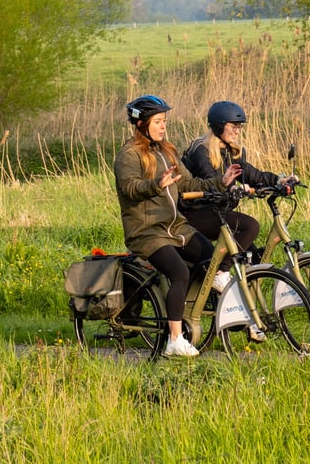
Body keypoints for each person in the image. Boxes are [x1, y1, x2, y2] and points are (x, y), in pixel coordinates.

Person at [113, 93, 239, 359]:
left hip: (175, 227)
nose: (163, 126)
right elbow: (130, 188)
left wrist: (222, 181)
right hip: (147, 232)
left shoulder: (166, 151)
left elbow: (191, 184)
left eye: (164, 121)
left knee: (209, 258)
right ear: (141, 124)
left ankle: (185, 313)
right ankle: (173, 339)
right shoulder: (129, 155)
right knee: (180, 272)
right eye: (158, 121)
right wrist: (155, 184)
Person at [180, 100, 293, 259]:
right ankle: (221, 272)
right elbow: (211, 180)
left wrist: (280, 181)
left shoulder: (230, 151)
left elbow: (252, 175)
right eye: (234, 127)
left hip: (217, 212)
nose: (238, 132)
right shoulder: (201, 151)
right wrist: (233, 188)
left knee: (253, 257)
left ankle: (248, 278)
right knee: (250, 227)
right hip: (194, 214)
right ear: (219, 126)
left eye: (239, 127)